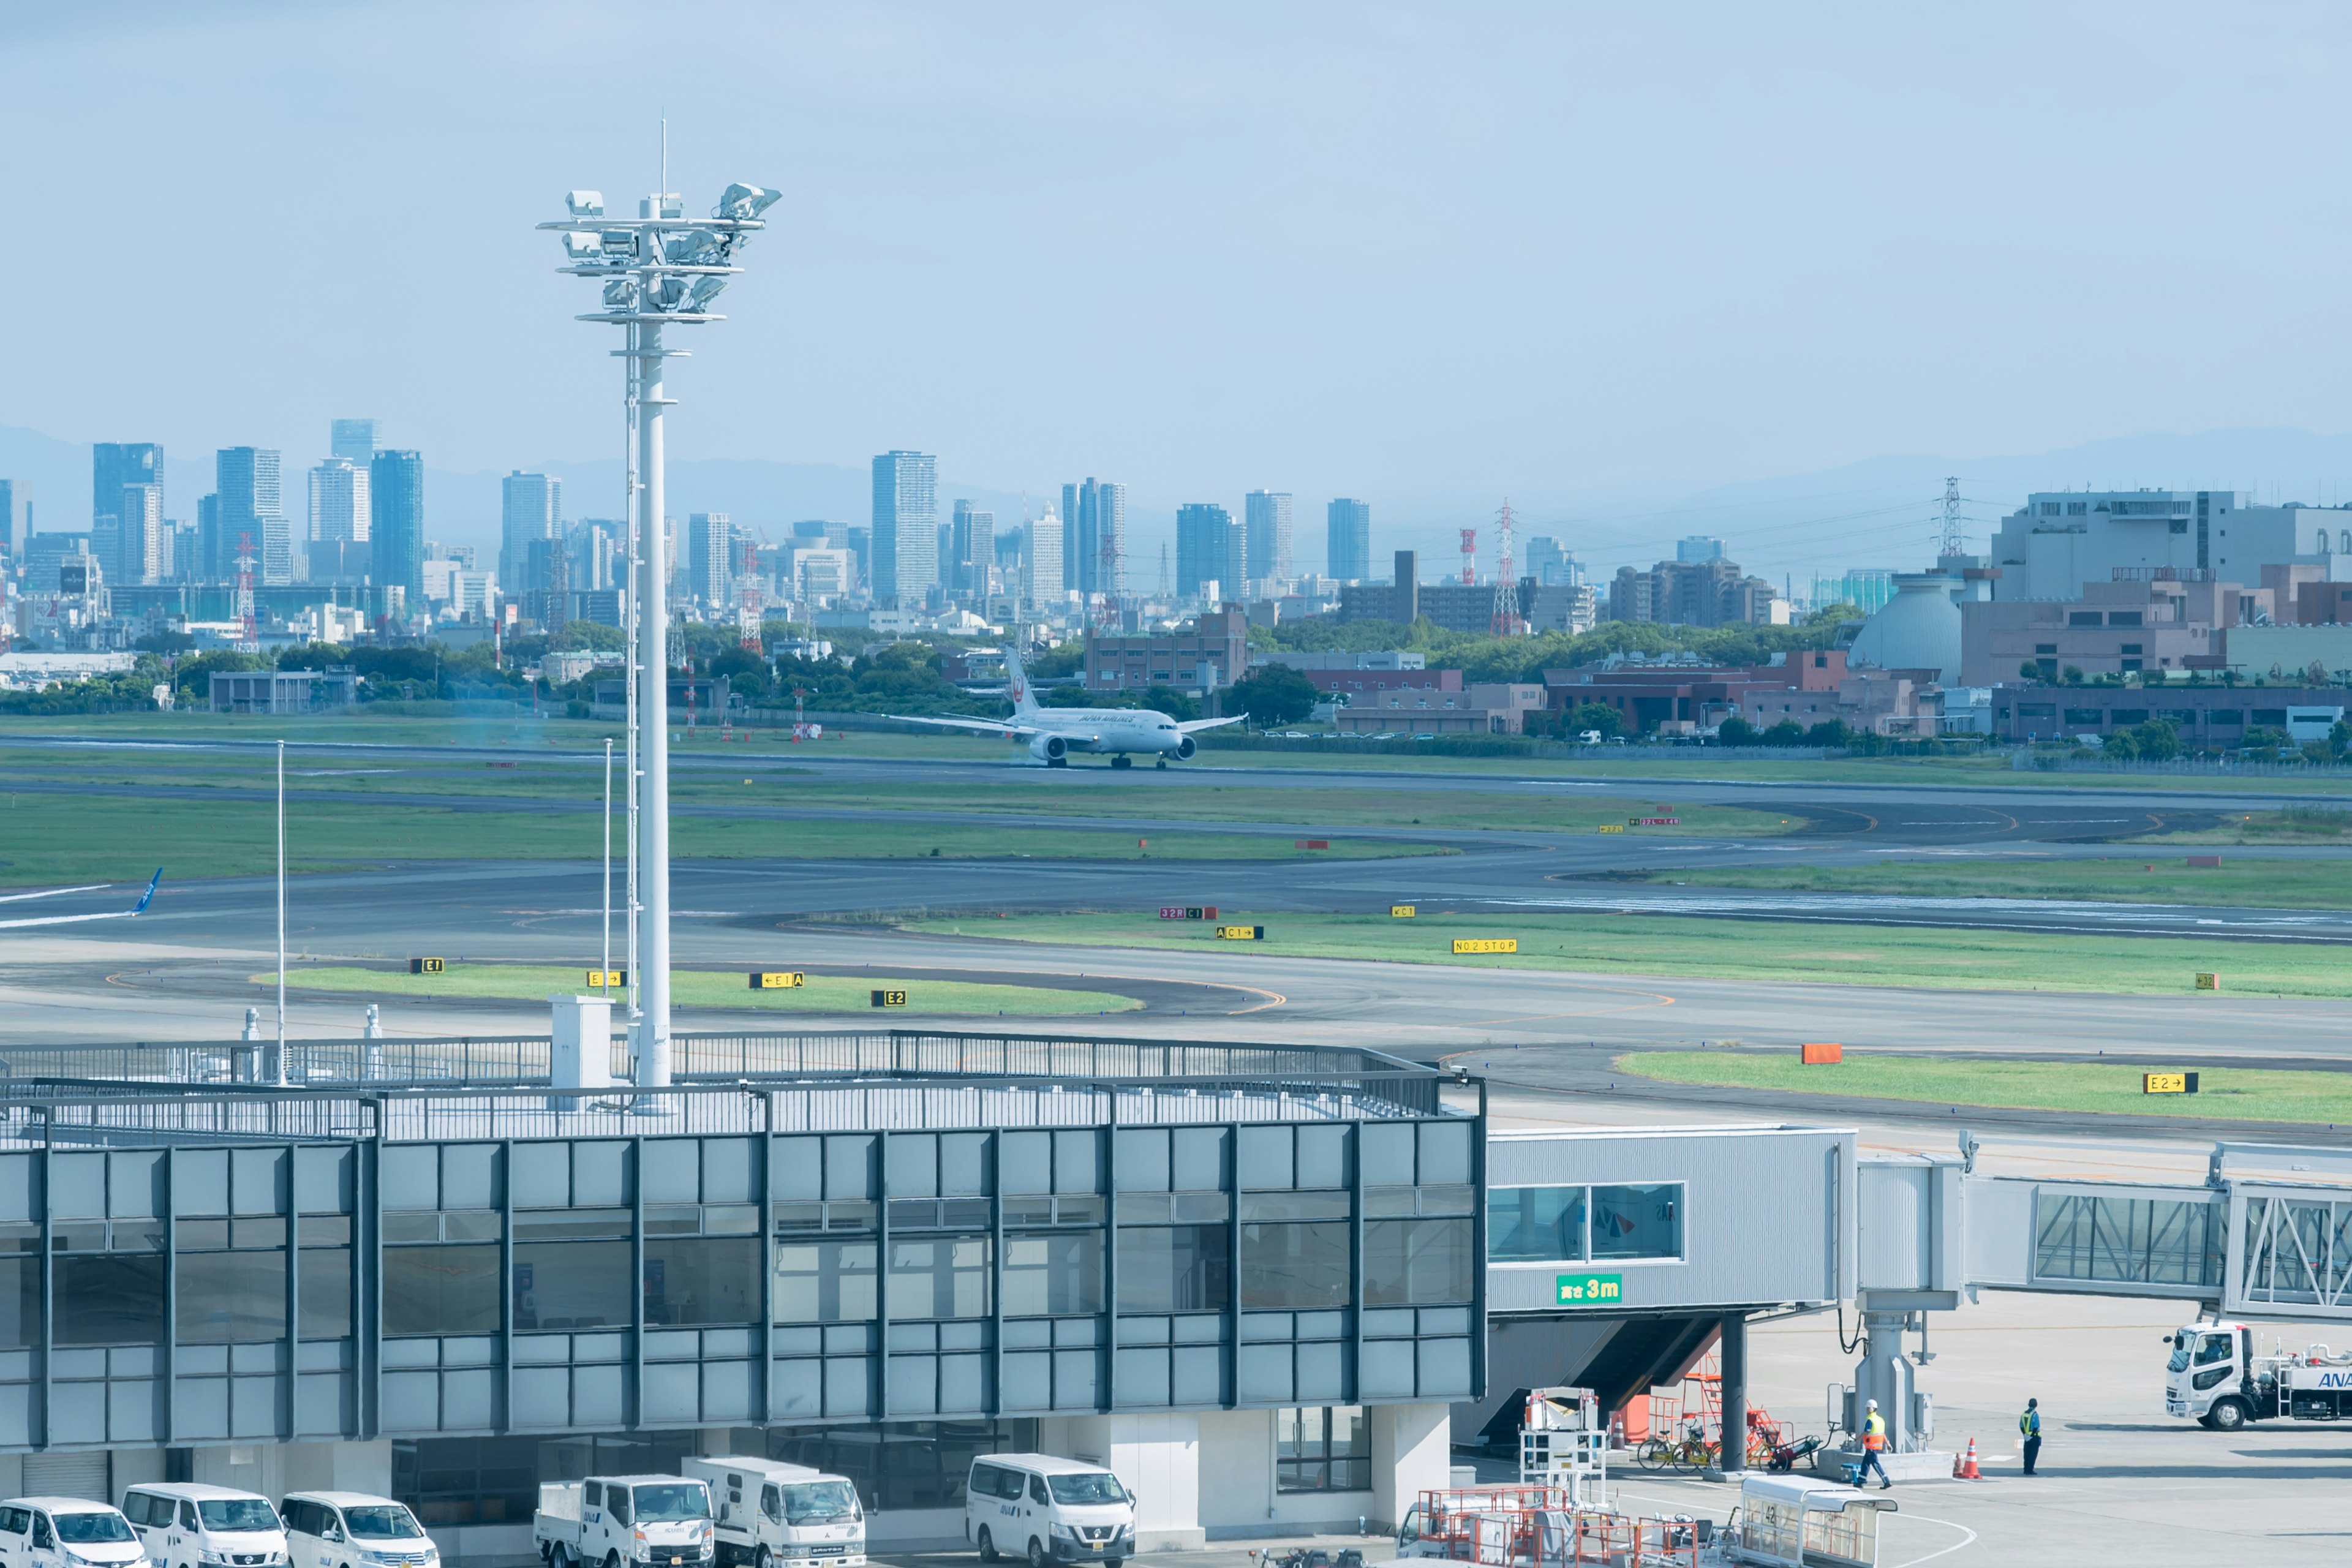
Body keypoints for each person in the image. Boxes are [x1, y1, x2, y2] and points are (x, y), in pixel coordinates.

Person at [1856, 1398, 1892, 1489]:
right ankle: (1861, 1481)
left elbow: (1866, 1433)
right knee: (1865, 1464)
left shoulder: (1870, 1420)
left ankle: (1886, 1481)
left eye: (1868, 1408)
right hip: (1875, 1446)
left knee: (1875, 1464)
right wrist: (1888, 1444)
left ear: (1871, 1409)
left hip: (1871, 1446)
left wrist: (1857, 1439)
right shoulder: (1881, 1420)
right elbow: (1882, 1434)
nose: (1866, 1410)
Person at [2020, 1398, 2043, 1476]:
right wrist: (2031, 1435)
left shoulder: (2024, 1414)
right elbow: (2036, 1427)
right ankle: (2030, 1470)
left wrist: (2025, 1435)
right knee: (2033, 1454)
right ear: (2036, 1405)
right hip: (2034, 1437)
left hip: (2026, 1437)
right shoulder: (2035, 1415)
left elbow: (2021, 1426)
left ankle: (2026, 1469)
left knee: (2026, 1454)